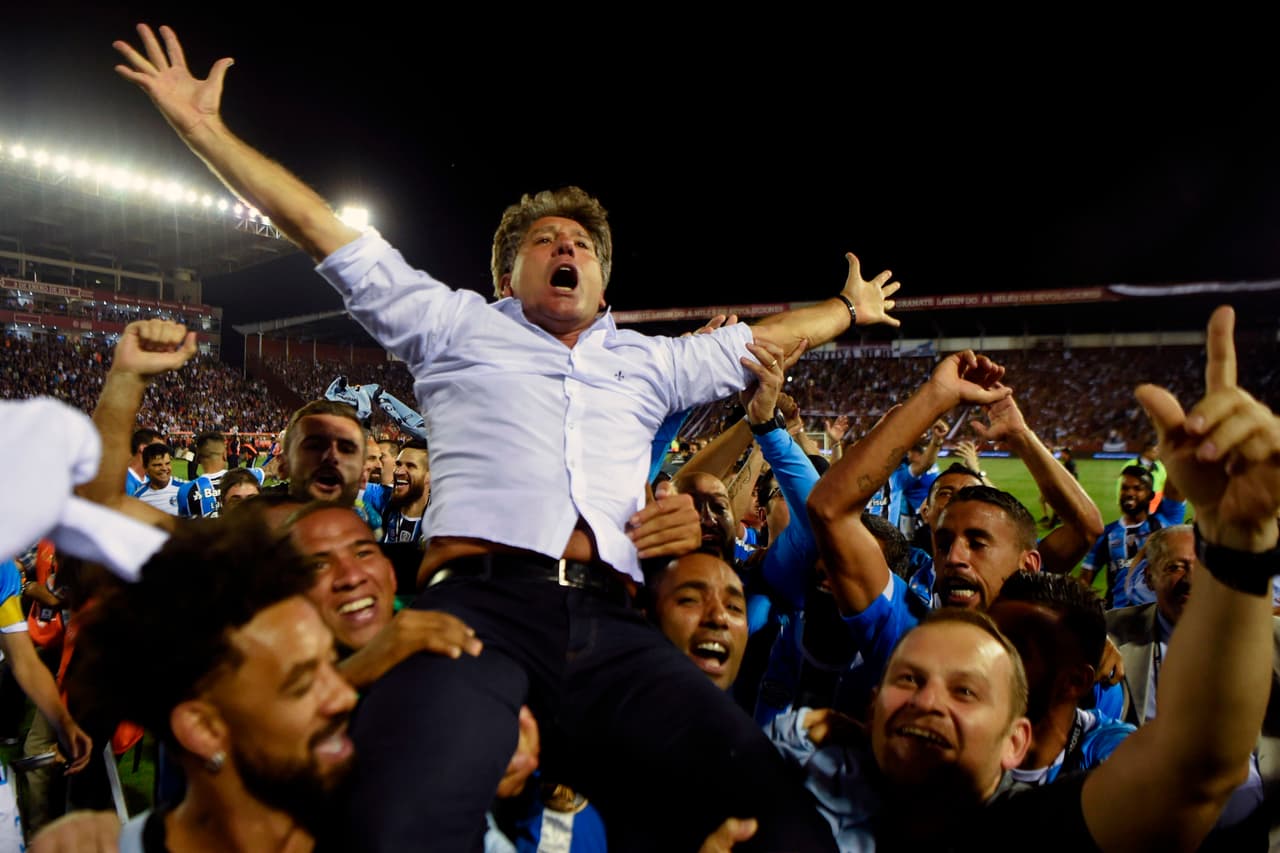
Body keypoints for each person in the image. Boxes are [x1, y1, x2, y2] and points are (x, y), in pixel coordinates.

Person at [114, 23, 907, 850]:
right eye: (546, 241)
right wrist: (204, 130)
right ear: (506, 276)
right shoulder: (452, 324)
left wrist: (846, 309)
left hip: (614, 620)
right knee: (400, 826)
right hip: (476, 614)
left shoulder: (652, 361)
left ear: (602, 284)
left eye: (583, 246)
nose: (568, 248)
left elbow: (766, 341)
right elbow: (320, 228)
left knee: (781, 826)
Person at [1079, 465, 1186, 608]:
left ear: (1151, 495)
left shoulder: (1166, 520)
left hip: (1158, 612)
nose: (1129, 493)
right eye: (1125, 488)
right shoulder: (1107, 534)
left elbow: (1176, 483)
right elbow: (1084, 580)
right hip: (1119, 615)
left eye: (1137, 488)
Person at [132, 443, 183, 516]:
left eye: (167, 463)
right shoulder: (139, 497)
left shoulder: (185, 489)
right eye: (158, 465)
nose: (164, 468)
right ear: (145, 468)